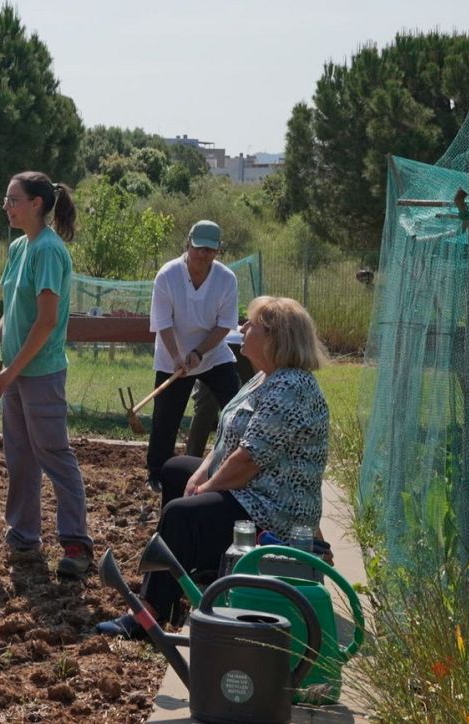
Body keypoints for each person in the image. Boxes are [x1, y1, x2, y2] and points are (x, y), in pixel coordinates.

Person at [98, 296, 331, 635]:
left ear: (274, 337)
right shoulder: (263, 378)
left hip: (272, 510)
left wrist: (206, 488)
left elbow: (248, 460)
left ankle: (149, 615)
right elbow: (229, 438)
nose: (242, 328)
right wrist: (201, 472)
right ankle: (181, 581)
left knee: (181, 514)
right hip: (254, 490)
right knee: (175, 470)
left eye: (251, 324)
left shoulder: (291, 387)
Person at [0, 172, 95, 580]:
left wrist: (11, 372)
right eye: (6, 199)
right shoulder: (19, 247)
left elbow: (46, 321)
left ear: (37, 204)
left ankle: (76, 543)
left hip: (40, 372)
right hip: (15, 372)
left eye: (14, 200)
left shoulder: (48, 250)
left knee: (53, 455)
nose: (7, 207)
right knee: (20, 456)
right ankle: (24, 536)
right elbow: (14, 308)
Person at [144, 220, 241, 489]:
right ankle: (157, 473)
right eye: (198, 248)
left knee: (236, 406)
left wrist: (199, 351)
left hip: (213, 354)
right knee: (166, 417)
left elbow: (225, 324)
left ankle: (239, 466)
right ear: (188, 244)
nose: (203, 255)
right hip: (172, 355)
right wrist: (177, 356)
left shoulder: (226, 279)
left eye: (210, 250)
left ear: (218, 250)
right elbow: (163, 322)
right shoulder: (167, 275)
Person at [184, 325, 255, 457]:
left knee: (205, 406)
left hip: (217, 344)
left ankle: (193, 454)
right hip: (230, 343)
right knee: (248, 402)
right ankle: (240, 453)